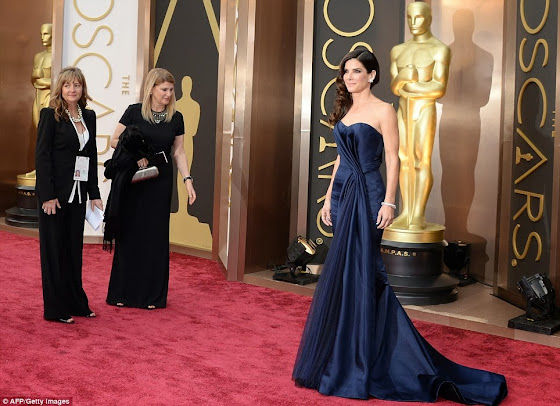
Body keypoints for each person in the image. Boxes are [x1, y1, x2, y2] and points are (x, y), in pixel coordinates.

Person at [292, 48, 507, 405]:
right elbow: (339, 159)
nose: (349, 77)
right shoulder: (345, 110)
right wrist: (329, 198)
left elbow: (394, 158)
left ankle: (363, 357)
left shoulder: (384, 110)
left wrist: (390, 201)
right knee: (345, 272)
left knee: (366, 271)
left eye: (357, 71)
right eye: (346, 72)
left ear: (372, 75)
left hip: (371, 194)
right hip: (345, 195)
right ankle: (342, 351)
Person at [105, 68, 196, 310]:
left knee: (155, 236)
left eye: (171, 90)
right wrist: (136, 155)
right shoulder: (135, 111)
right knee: (131, 232)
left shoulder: (176, 118)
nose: (168, 94)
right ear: (152, 89)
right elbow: (114, 140)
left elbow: (178, 151)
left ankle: (153, 297)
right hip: (135, 179)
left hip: (161, 180)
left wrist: (187, 179)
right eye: (164, 89)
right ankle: (123, 293)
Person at [35, 66, 103, 324]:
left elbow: (91, 156)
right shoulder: (49, 116)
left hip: (78, 194)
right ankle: (55, 308)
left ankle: (76, 302)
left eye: (77, 85)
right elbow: (42, 157)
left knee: (73, 250)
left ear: (83, 88)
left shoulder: (90, 116)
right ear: (60, 89)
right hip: (56, 196)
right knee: (53, 250)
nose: (72, 89)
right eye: (67, 85)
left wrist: (94, 193)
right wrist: (47, 196)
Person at [389, 1, 451, 230]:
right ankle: (406, 211)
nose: (414, 23)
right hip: (404, 109)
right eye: (410, 18)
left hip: (424, 109)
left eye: (419, 18)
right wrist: (406, 77)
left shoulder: (440, 49)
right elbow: (395, 87)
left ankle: (418, 215)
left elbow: (439, 88)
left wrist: (409, 85)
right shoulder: (398, 50)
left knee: (421, 161)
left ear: (429, 18)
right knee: (404, 160)